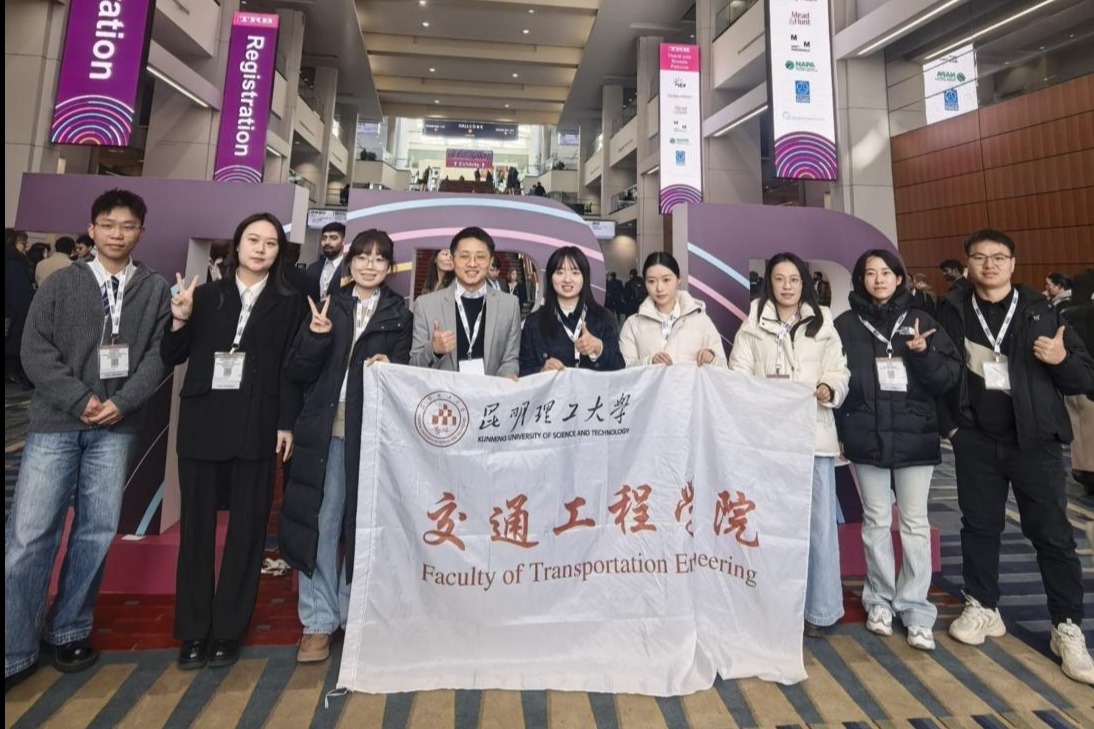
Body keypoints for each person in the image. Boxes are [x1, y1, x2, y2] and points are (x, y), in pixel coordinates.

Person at [5, 190, 170, 690]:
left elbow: (159, 355)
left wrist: (124, 402)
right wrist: (79, 400)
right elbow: (34, 350)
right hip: (56, 424)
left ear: (141, 232)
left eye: (128, 226)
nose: (117, 234)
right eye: (108, 224)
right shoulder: (61, 283)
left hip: (116, 427)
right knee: (30, 534)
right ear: (92, 230)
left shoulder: (154, 288)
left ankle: (70, 627)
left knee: (96, 531)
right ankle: (14, 646)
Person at [938, 229, 1094, 685]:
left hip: (1035, 441)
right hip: (976, 440)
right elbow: (937, 374)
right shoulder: (952, 309)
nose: (989, 264)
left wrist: (1060, 359)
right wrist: (952, 429)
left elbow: (1084, 378)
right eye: (980, 257)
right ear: (968, 263)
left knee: (1052, 536)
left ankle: (1066, 626)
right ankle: (983, 605)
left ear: (1013, 264)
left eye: (998, 257)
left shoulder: (1042, 312)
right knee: (979, 527)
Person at [162, 212, 304, 671]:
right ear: (236, 245)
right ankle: (192, 629)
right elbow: (171, 355)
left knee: (247, 530)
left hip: (257, 423)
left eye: (270, 243)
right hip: (203, 420)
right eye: (253, 240)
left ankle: (228, 628)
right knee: (197, 530)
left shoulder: (291, 302)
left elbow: (290, 369)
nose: (261, 249)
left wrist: (286, 423)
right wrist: (179, 319)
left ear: (280, 252)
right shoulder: (203, 296)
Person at [279, 229, 412, 664]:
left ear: (388, 267)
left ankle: (355, 612)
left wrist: (392, 364)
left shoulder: (399, 313)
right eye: (362, 257)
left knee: (365, 523)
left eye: (379, 259)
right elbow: (296, 369)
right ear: (350, 262)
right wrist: (316, 336)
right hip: (327, 428)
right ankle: (318, 620)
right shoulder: (327, 305)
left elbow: (407, 369)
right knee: (323, 520)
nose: (370, 265)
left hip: (373, 431)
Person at [834, 249, 961, 651]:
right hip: (866, 434)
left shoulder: (923, 321)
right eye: (870, 273)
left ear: (899, 278)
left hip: (915, 434)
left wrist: (924, 354)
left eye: (886, 272)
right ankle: (878, 599)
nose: (878, 279)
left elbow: (948, 377)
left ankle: (915, 606)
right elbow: (834, 377)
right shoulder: (845, 324)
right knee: (875, 520)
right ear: (860, 280)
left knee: (914, 523)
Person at [728, 252, 849, 638]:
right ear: (769, 283)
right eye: (779, 279)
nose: (786, 286)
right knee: (767, 525)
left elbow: (839, 369)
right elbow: (738, 374)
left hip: (814, 437)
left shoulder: (823, 321)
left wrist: (829, 387)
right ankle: (770, 608)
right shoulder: (753, 323)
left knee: (819, 528)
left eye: (794, 279)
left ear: (804, 283)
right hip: (767, 441)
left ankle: (820, 609)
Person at [410, 226, 520, 379]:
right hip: (444, 393)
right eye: (464, 256)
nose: (472, 263)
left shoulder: (510, 305)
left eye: (480, 257)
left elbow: (510, 359)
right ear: (453, 260)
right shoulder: (425, 305)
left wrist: (507, 375)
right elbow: (413, 367)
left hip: (489, 393)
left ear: (490, 261)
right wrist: (433, 350)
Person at [519, 247, 624, 376]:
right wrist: (541, 371)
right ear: (550, 278)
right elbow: (523, 372)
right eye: (560, 272)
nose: (567, 279)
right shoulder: (534, 323)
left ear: (584, 277)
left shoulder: (603, 318)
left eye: (575, 272)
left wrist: (598, 348)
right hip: (553, 390)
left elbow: (620, 368)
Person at [619, 252, 725, 368]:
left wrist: (711, 358)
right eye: (651, 281)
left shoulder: (701, 321)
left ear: (678, 279)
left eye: (666, 280)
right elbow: (625, 371)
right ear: (645, 283)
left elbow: (723, 368)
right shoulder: (633, 325)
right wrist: (650, 362)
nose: (659, 288)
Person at [1061, 268, 1094, 494]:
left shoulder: (1067, 312)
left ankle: (1082, 469)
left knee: (1078, 424)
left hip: (1072, 376)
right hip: (1090, 377)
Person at [5, 229, 35, 389]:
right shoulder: (16, 264)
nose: (25, 247)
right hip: (14, 310)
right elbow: (21, 293)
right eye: (22, 243)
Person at [305, 222, 346, 301]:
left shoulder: (350, 269)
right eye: (324, 238)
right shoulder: (312, 268)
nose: (327, 242)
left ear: (343, 241)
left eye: (333, 238)